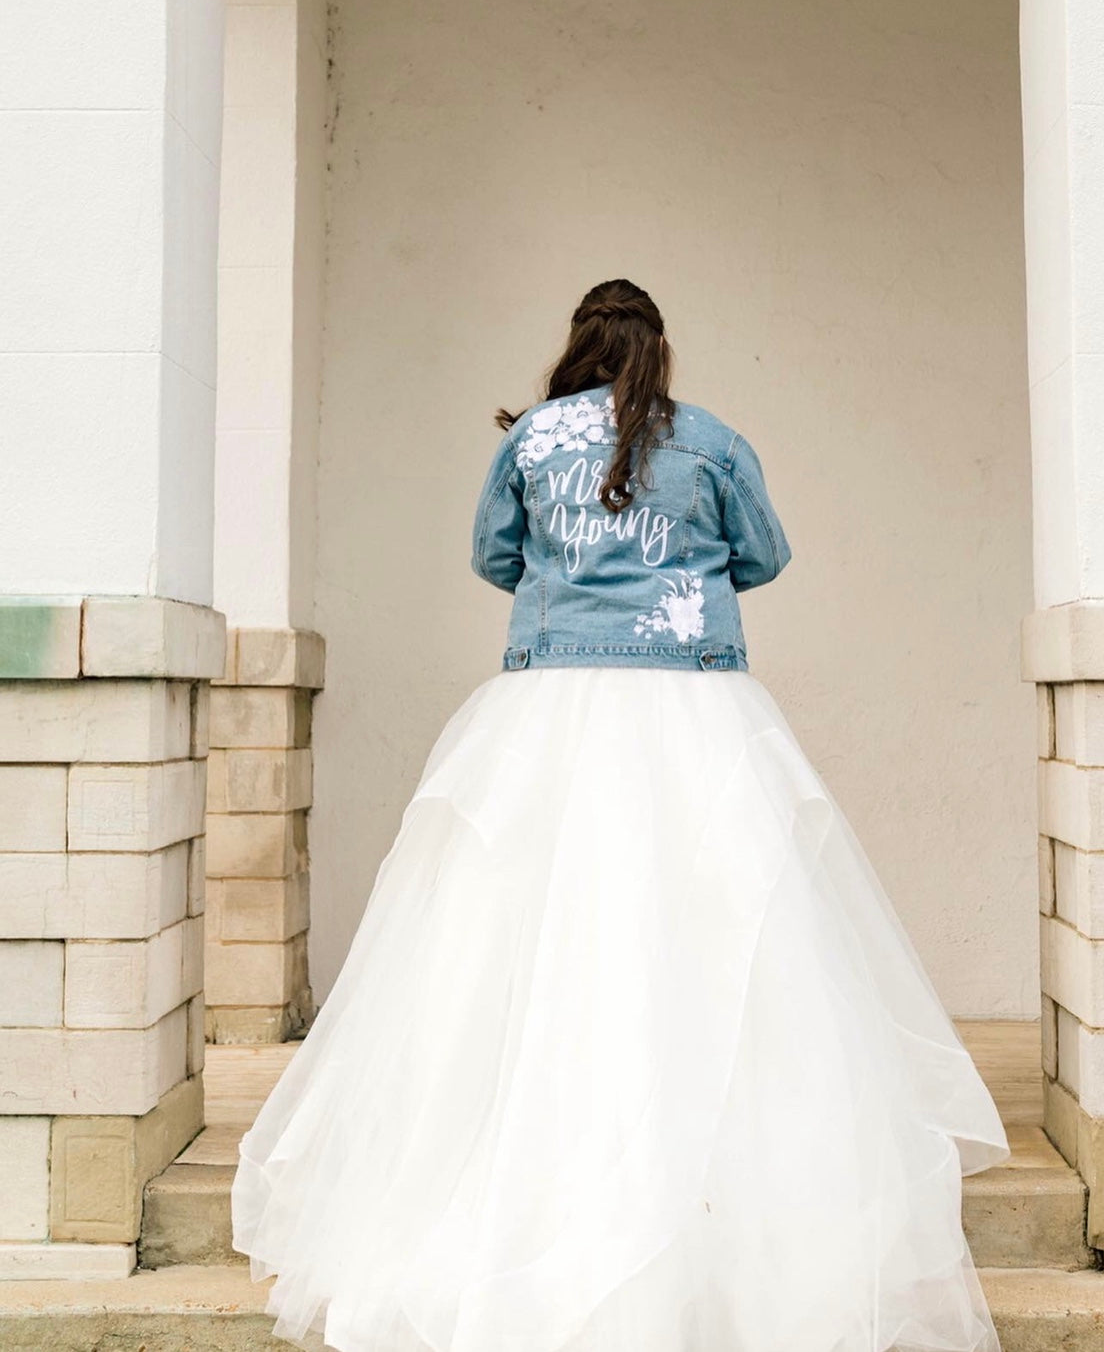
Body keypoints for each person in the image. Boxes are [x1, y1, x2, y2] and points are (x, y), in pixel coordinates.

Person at [231, 278, 1010, 1352]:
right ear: (659, 347)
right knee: (710, 932)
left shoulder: (530, 442)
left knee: (529, 936)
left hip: (546, 700)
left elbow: (491, 558)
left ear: (577, 344)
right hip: (693, 698)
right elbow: (766, 554)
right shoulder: (712, 441)